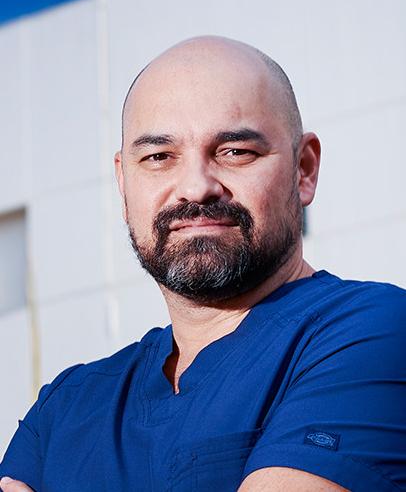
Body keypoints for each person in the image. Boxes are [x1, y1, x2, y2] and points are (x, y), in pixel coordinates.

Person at [1, 36, 405, 492]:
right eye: (158, 157)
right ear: (123, 181)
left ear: (304, 168)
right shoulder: (64, 412)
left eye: (235, 151)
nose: (195, 187)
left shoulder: (376, 332)